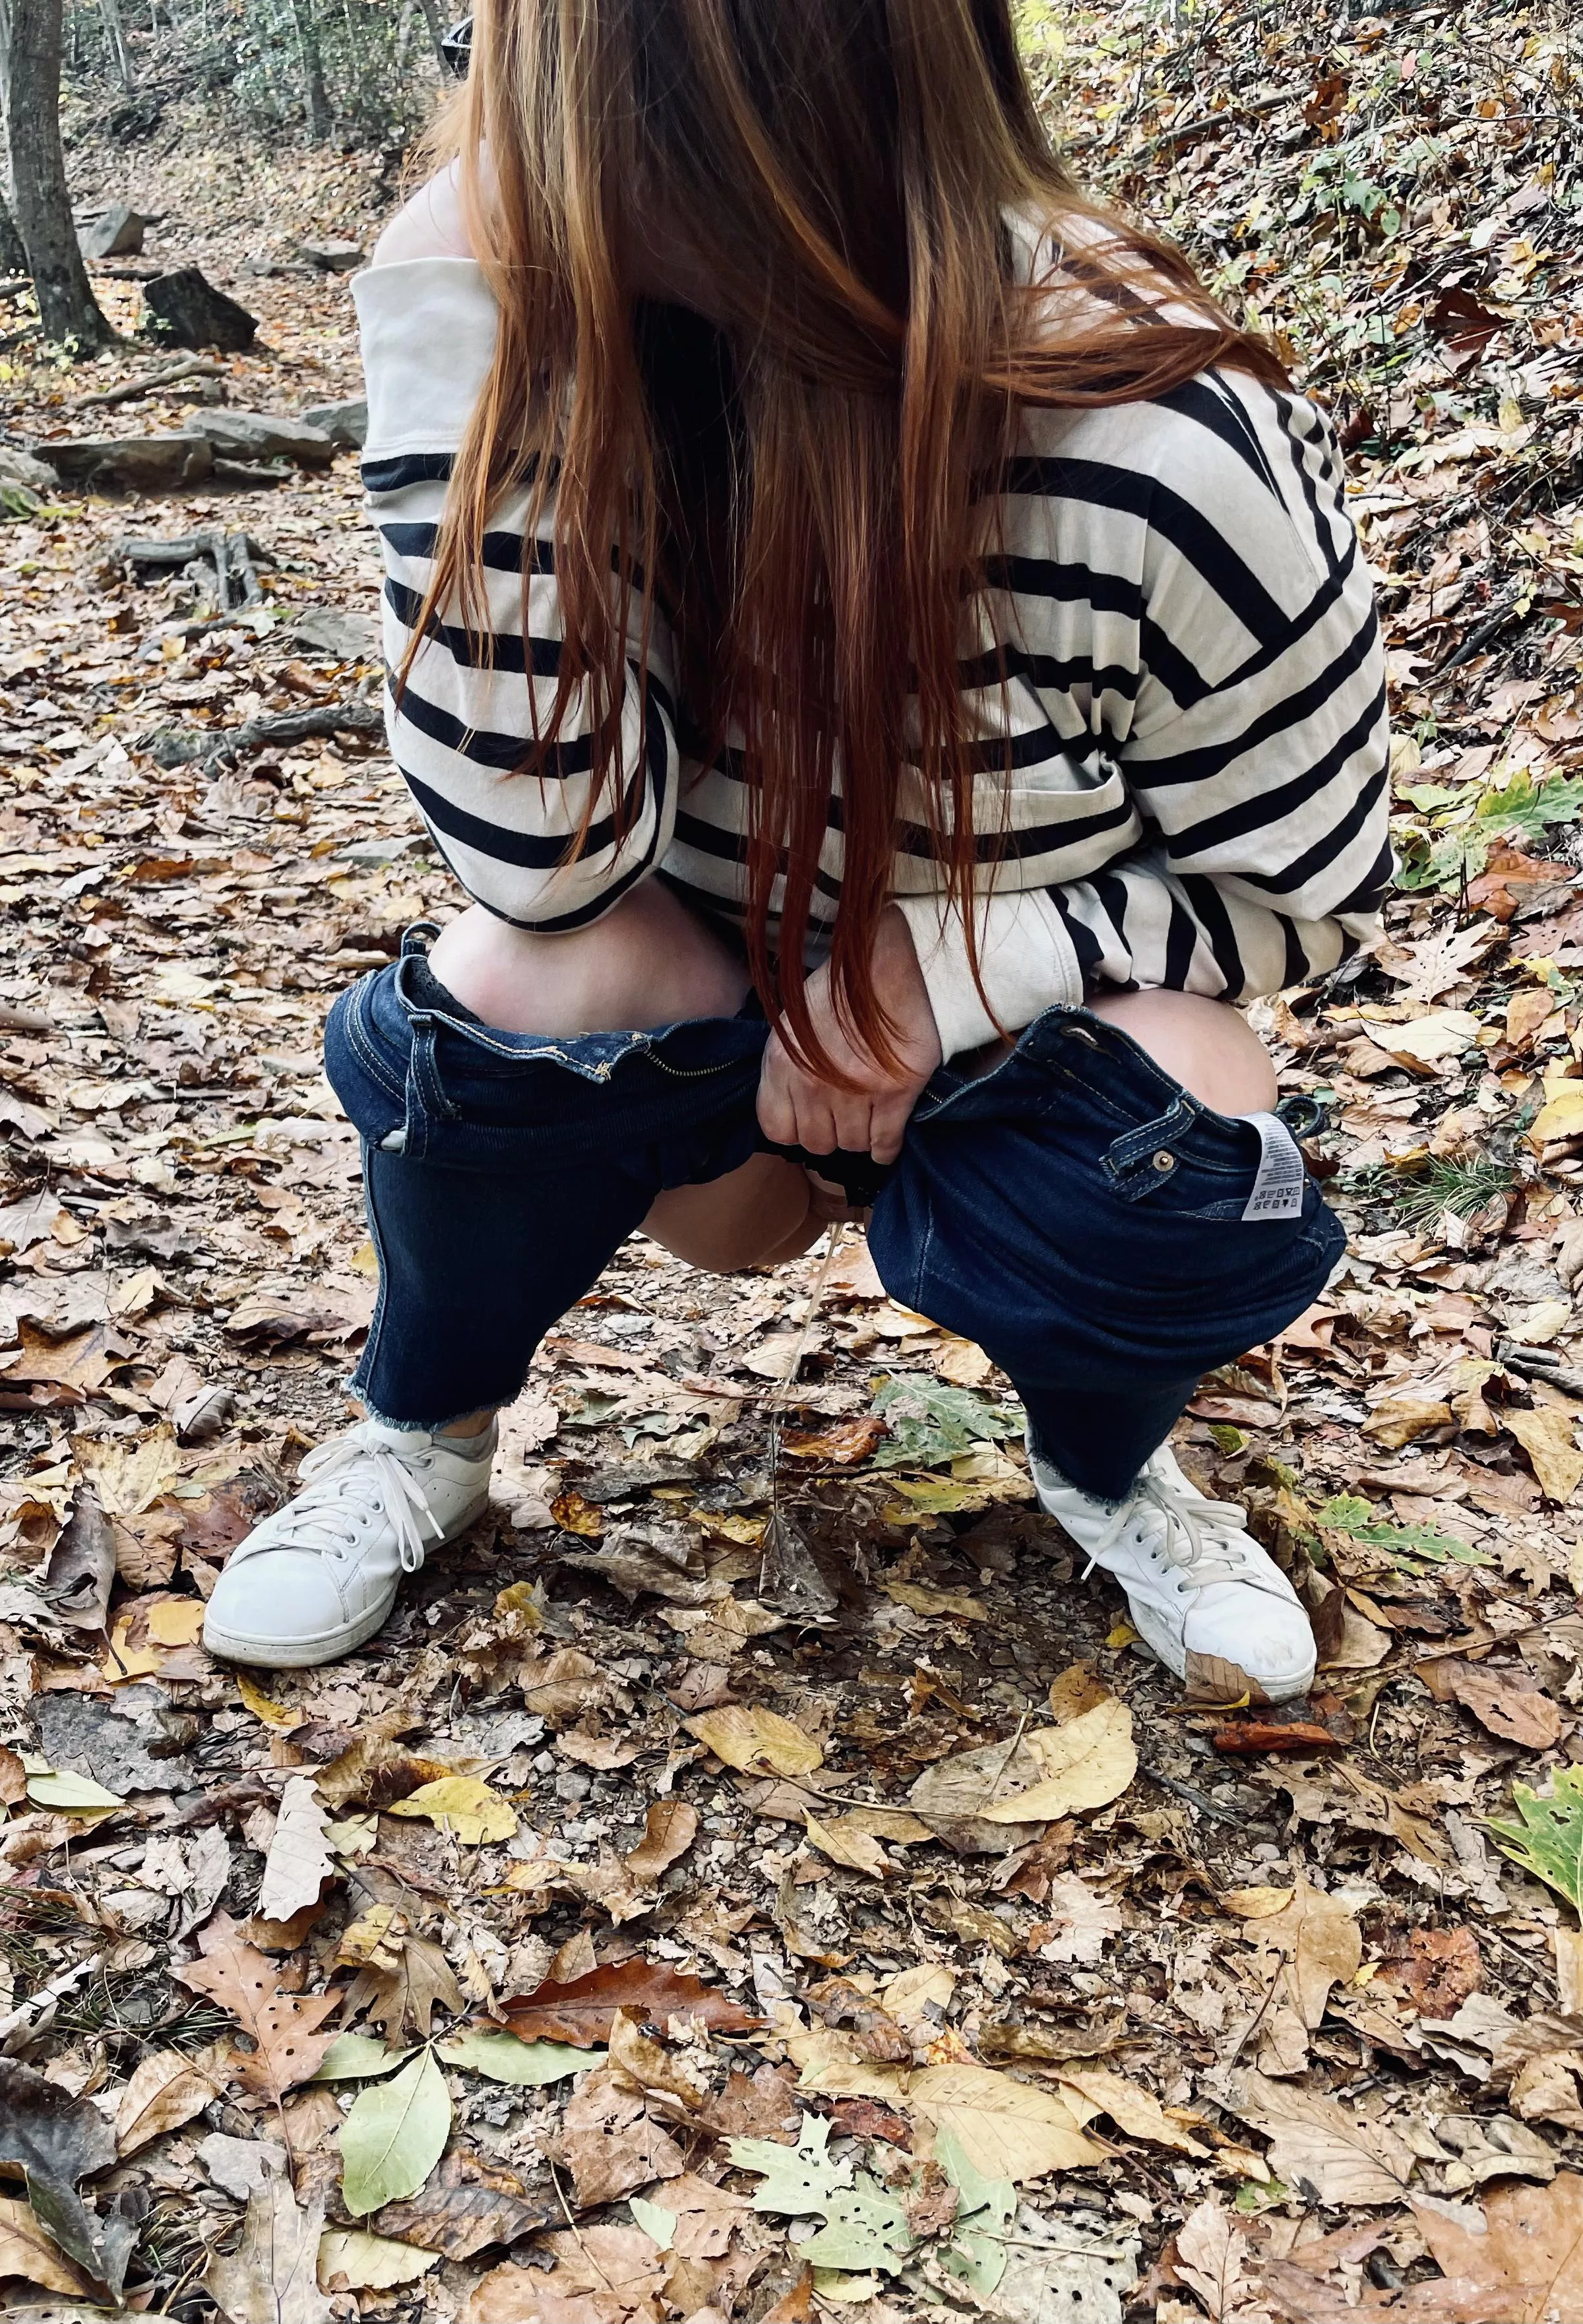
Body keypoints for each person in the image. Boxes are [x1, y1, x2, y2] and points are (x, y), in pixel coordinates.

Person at [201, 0, 1388, 1697]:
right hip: (705, 1069)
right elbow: (540, 864)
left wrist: (936, 971)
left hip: (1014, 1061)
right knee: (502, 991)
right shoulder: (559, 360)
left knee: (1190, 1115)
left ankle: (1114, 1470)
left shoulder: (1162, 428)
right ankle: (422, 1430)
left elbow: (1314, 878)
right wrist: (457, 312)